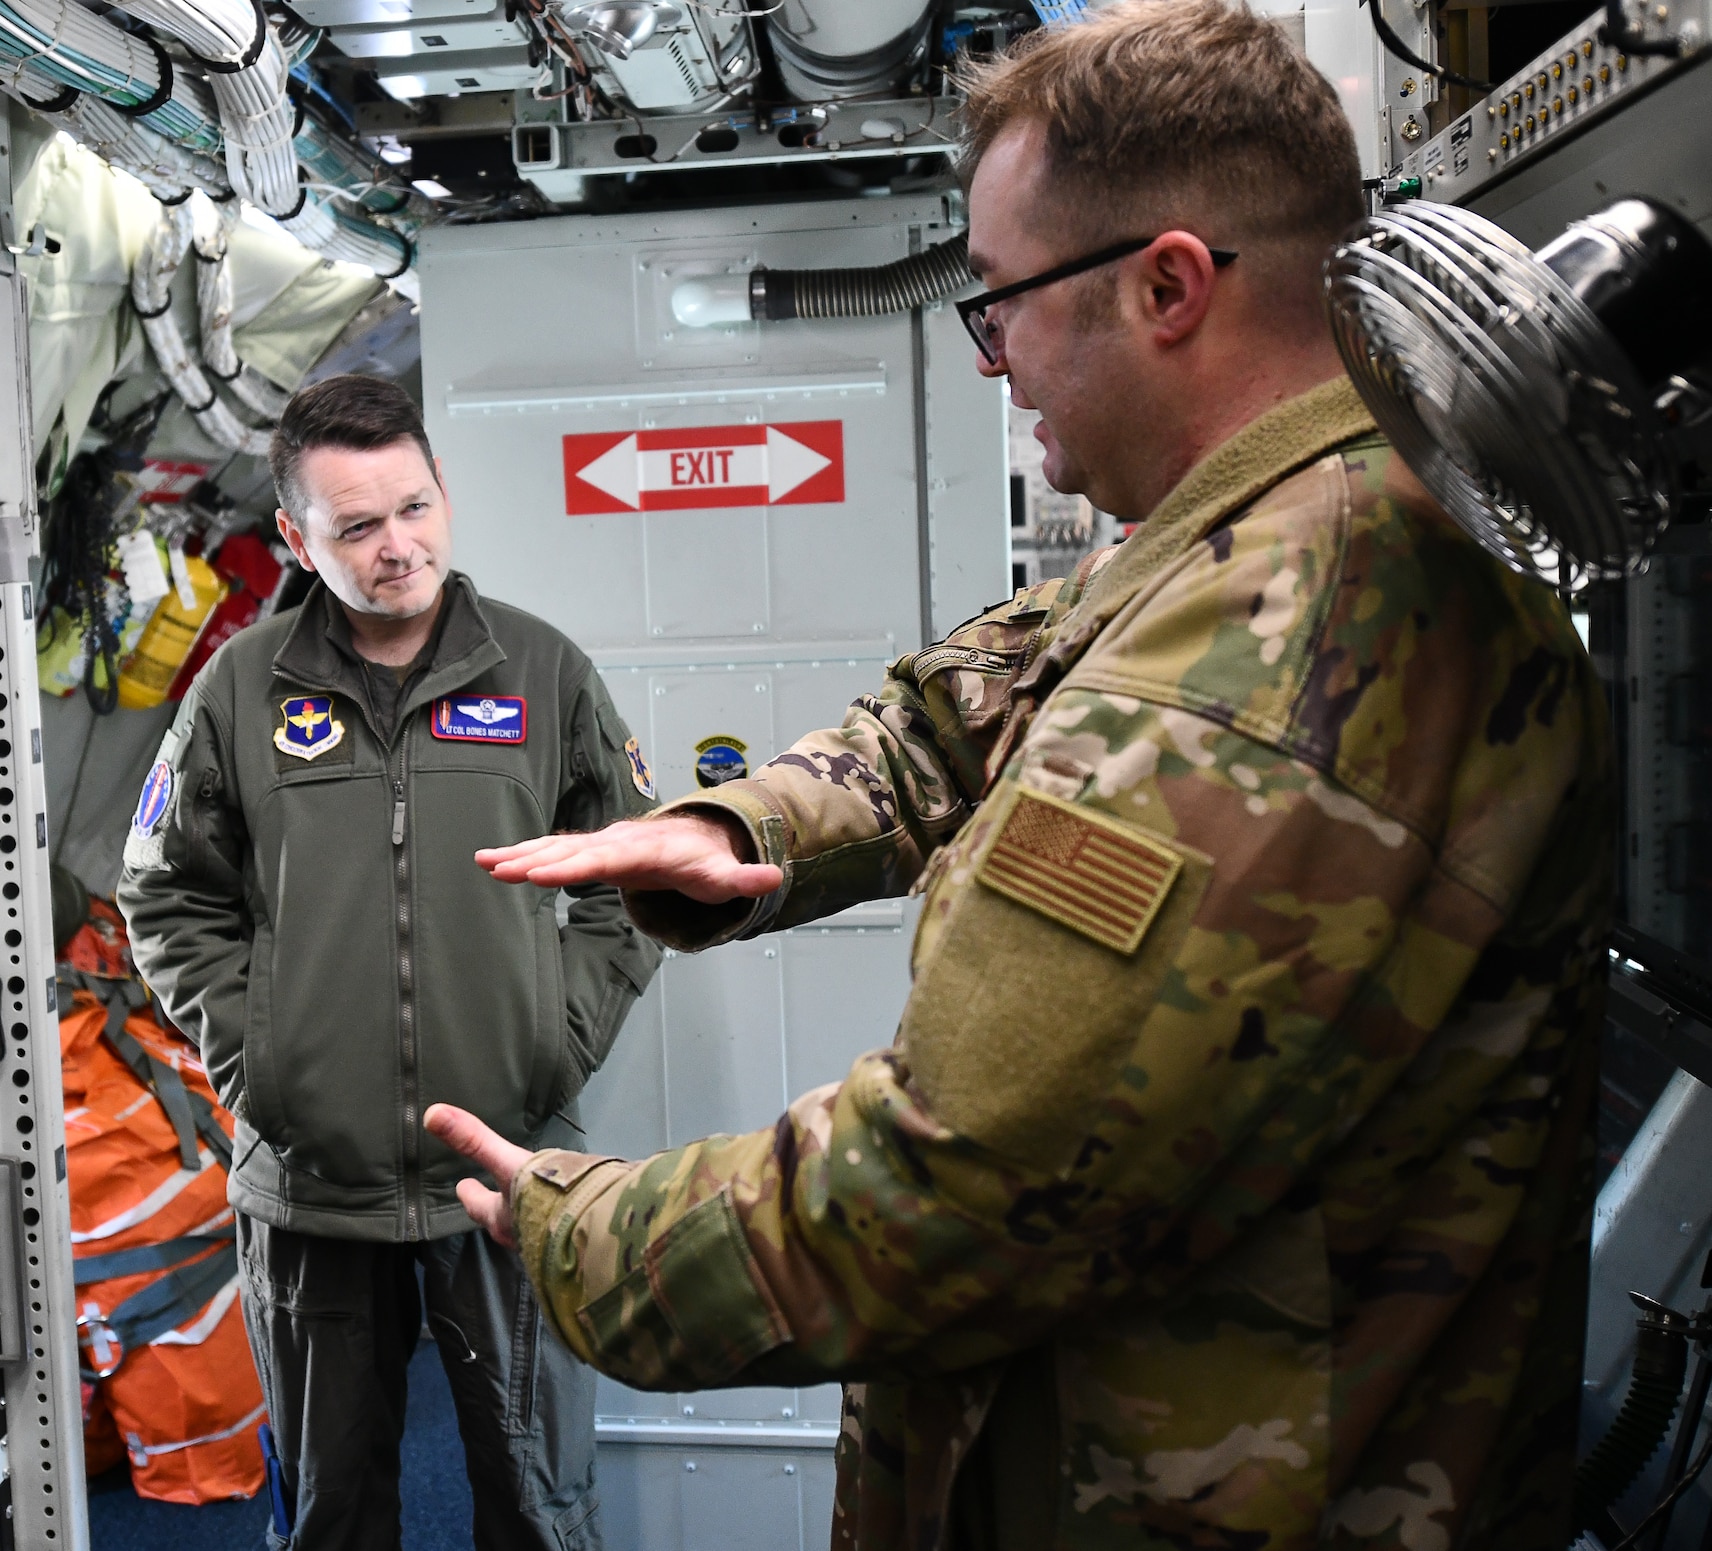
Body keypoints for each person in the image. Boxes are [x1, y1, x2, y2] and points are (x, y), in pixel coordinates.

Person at [422, 5, 1616, 1549]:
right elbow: (983, 692)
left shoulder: (1276, 652)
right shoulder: (1276, 524)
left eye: (1001, 304)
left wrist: (576, 1229)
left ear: (1166, 286)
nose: (990, 359)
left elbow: (946, 1187)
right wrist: (745, 821)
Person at [117, 374, 662, 1551]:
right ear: (295, 541)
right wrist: (264, 1063)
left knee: (538, 1504)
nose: (395, 546)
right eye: (354, 526)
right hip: (311, 1184)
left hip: (510, 1167)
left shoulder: (543, 671)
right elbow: (163, 892)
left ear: (441, 496)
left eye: (412, 508)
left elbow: (635, 873)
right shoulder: (237, 689)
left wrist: (554, 1039)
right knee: (330, 1515)